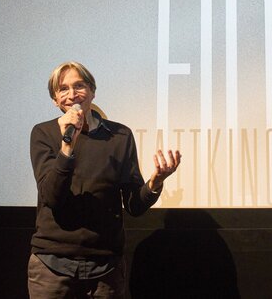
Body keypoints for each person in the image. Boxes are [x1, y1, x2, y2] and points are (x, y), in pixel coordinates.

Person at [28, 61, 181, 298]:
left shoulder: (119, 136)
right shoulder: (44, 134)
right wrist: (67, 145)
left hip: (105, 266)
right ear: (55, 100)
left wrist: (155, 182)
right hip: (52, 264)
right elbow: (52, 196)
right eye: (63, 89)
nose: (72, 94)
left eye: (79, 85)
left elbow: (134, 205)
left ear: (92, 91)